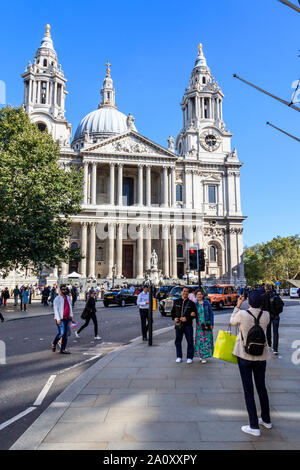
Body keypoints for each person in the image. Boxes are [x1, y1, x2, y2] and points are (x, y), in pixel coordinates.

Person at [230, 290, 272, 437]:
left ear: (249, 302)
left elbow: (232, 321)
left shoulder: (242, 314)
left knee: (248, 391)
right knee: (262, 388)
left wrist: (238, 305)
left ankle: (254, 425)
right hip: (261, 356)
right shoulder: (266, 315)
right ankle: (266, 420)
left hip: (245, 355)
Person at [171, 286, 197, 364]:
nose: (185, 292)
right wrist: (174, 318)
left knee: (190, 341)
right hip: (178, 325)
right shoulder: (176, 302)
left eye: (187, 291)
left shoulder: (191, 303)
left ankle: (189, 357)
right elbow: (172, 312)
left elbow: (194, 314)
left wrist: (187, 318)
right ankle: (179, 356)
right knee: (178, 341)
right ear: (181, 292)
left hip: (188, 325)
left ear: (188, 293)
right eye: (184, 291)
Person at [51, 284, 73, 354]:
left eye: (66, 289)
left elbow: (70, 307)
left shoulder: (68, 298)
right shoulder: (57, 299)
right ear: (60, 290)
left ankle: (63, 349)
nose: (65, 290)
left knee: (66, 335)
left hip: (68, 318)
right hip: (61, 318)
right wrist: (58, 319)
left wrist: (71, 315)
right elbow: (56, 309)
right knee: (61, 333)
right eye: (63, 289)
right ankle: (54, 343)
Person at [194, 290, 214, 363]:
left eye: (200, 294)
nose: (199, 296)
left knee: (206, 340)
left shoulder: (207, 303)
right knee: (199, 341)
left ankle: (204, 356)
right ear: (196, 296)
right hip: (199, 325)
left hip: (207, 324)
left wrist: (212, 323)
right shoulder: (195, 304)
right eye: (198, 294)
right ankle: (201, 355)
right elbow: (193, 315)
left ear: (202, 295)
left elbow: (211, 313)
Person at [264, 284, 284, 355]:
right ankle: (275, 349)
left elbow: (261, 307)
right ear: (271, 289)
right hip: (275, 315)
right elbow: (282, 304)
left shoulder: (264, 296)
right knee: (276, 332)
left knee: (268, 330)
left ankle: (269, 345)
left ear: (265, 288)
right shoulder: (276, 296)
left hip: (267, 315)